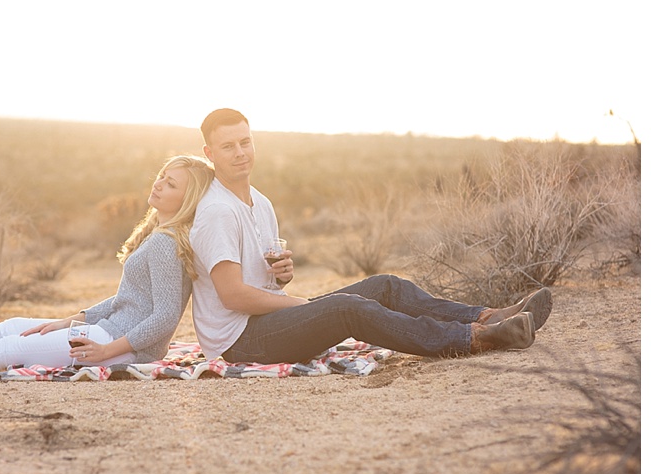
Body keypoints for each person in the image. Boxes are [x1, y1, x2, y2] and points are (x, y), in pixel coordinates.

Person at [188, 108, 553, 364]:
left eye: (245, 142)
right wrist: (303, 304)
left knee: (386, 287)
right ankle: (474, 338)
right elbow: (233, 295)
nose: (240, 153)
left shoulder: (261, 202)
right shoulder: (217, 210)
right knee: (347, 307)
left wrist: (282, 274)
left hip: (271, 320)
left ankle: (488, 316)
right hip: (242, 341)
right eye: (228, 146)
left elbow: (263, 280)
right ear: (209, 153)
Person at [0, 155, 215, 372]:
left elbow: (166, 317)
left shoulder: (169, 244)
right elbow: (127, 300)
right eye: (162, 176)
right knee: (11, 326)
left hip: (122, 348)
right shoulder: (157, 233)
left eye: (171, 184)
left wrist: (108, 350)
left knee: (11, 348)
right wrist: (70, 318)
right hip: (105, 332)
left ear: (188, 200)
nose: (159, 185)